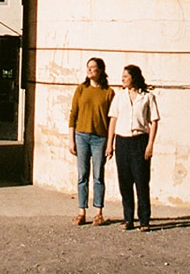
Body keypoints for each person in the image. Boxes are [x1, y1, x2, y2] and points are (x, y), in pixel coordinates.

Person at [106, 63, 160, 231]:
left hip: (140, 140)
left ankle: (144, 220)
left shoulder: (148, 97)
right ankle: (128, 218)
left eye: (125, 77)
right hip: (122, 141)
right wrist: (110, 145)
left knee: (142, 182)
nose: (122, 79)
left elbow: (154, 121)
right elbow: (113, 120)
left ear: (133, 78)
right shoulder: (119, 97)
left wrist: (150, 144)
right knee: (125, 182)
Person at [68, 56, 115, 226]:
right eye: (88, 67)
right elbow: (73, 114)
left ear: (101, 70)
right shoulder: (81, 89)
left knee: (98, 176)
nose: (90, 70)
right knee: (82, 175)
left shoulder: (108, 92)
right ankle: (81, 211)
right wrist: (71, 139)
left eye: (93, 67)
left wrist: (110, 143)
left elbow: (112, 120)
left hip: (99, 138)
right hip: (81, 136)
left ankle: (98, 212)